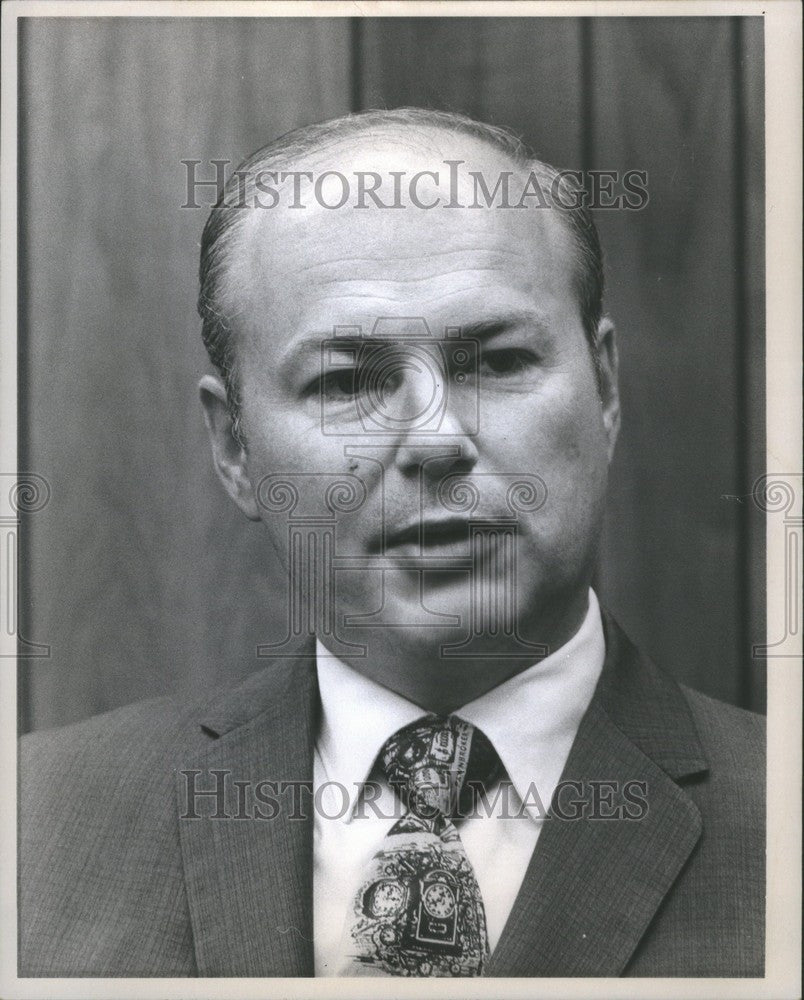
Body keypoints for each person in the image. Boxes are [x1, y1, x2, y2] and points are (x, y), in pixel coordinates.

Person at [19, 108, 764, 978]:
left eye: (494, 362)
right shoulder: (34, 824)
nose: (434, 438)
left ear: (602, 390)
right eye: (347, 381)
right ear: (235, 450)